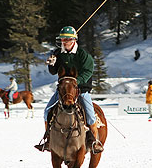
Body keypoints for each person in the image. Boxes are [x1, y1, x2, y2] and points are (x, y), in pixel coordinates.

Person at [34, 26, 104, 154]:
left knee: (90, 116)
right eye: (62, 39)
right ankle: (48, 140)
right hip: (63, 90)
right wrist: (51, 64)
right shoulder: (58, 53)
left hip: (81, 90)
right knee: (47, 111)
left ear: (73, 40)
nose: (64, 42)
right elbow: (53, 72)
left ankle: (94, 141)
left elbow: (88, 71)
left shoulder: (83, 55)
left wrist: (77, 82)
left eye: (67, 39)